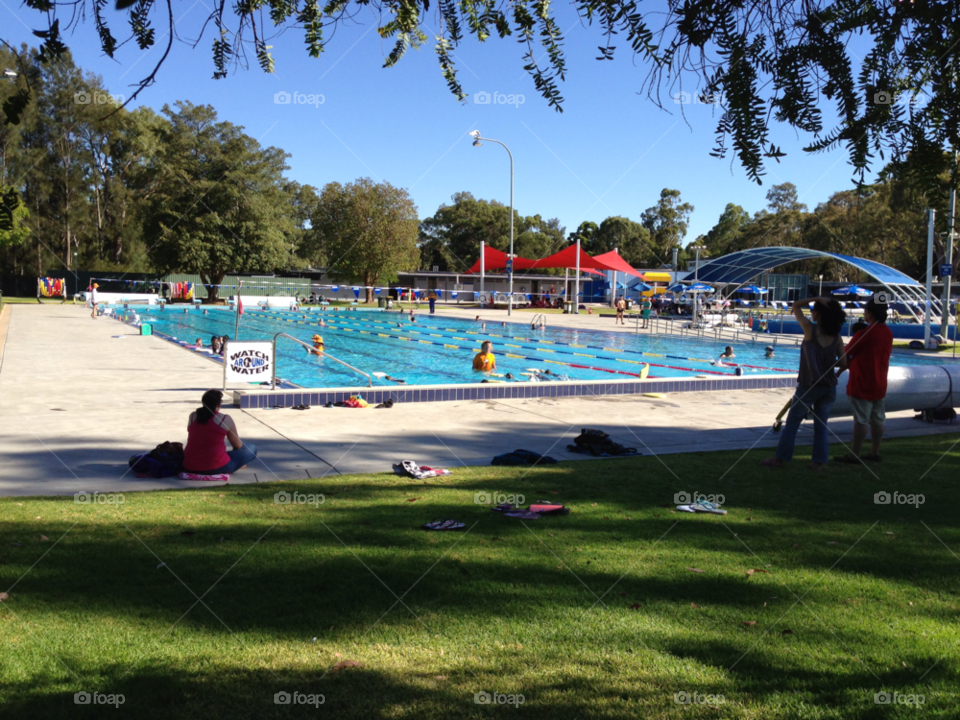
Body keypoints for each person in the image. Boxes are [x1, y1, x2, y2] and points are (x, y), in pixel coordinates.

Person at [762, 297, 847, 471]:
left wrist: (816, 298)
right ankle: (818, 462)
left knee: (792, 423)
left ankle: (780, 459)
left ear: (819, 314)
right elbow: (844, 363)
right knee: (821, 426)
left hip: (809, 386)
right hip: (829, 388)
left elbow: (795, 305)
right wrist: (830, 366)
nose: (811, 313)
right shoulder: (837, 338)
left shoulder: (810, 329)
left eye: (814, 310)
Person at [835, 298, 894, 463]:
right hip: (879, 383)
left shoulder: (864, 334)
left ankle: (855, 454)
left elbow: (845, 355)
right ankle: (875, 452)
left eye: (866, 310)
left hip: (862, 382)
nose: (864, 313)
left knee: (861, 421)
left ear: (871, 313)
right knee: (877, 419)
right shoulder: (888, 332)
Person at [182, 390, 257, 475]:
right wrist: (239, 462)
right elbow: (237, 445)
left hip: (189, 466)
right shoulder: (225, 419)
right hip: (217, 467)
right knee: (252, 448)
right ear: (219, 404)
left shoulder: (192, 416)